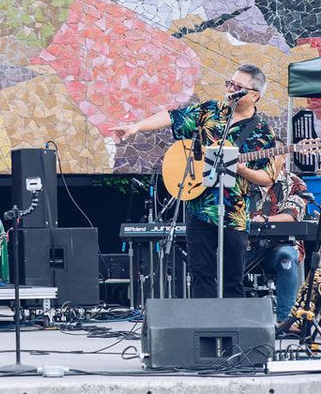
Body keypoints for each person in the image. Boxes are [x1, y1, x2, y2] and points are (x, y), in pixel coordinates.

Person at [113, 64, 275, 298]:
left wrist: (240, 169)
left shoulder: (262, 132)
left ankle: (233, 331)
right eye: (229, 84)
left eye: (237, 87)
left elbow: (267, 177)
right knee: (201, 274)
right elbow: (172, 116)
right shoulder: (210, 110)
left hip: (234, 212)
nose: (230, 89)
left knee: (233, 279)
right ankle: (206, 331)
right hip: (198, 205)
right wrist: (136, 127)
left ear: (254, 95)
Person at [249, 151, 307, 322]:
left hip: (279, 246)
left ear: (283, 158)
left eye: (273, 154)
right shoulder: (246, 179)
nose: (267, 158)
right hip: (246, 244)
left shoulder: (294, 183)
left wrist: (266, 219)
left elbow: (293, 214)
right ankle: (231, 320)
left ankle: (285, 319)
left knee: (287, 257)